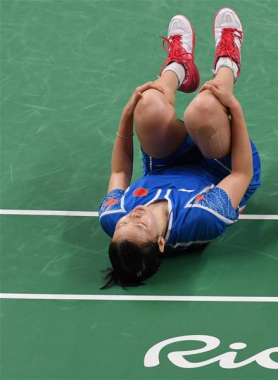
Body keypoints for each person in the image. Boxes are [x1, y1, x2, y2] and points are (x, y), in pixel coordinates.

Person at [97, 8, 261, 289]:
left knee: (147, 104)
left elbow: (119, 169)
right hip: (223, 168)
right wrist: (235, 108)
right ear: (161, 242)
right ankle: (228, 61)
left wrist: (126, 118)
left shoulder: (113, 218)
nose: (132, 217)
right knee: (204, 108)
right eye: (141, 226)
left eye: (123, 226)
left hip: (167, 162)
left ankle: (179, 68)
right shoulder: (199, 219)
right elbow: (241, 175)